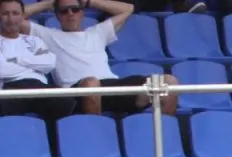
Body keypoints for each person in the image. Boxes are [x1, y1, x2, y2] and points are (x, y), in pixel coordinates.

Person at [21, 0, 179, 116]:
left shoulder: (97, 32)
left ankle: (165, 140)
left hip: (111, 85)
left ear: (82, 12)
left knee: (169, 82)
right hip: (77, 91)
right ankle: (97, 137)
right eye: (64, 10)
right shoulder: (47, 35)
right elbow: (13, 19)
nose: (70, 14)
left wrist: (89, 2)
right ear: (56, 15)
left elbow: (127, 8)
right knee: (92, 83)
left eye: (75, 9)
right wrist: (48, 3)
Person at [0, 0, 75, 121]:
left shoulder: (34, 40)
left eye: (15, 13)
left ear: (22, 16)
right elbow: (3, 70)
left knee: (66, 102)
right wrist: (34, 64)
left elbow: (49, 63)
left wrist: (17, 60)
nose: (11, 19)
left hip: (40, 87)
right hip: (11, 88)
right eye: (5, 13)